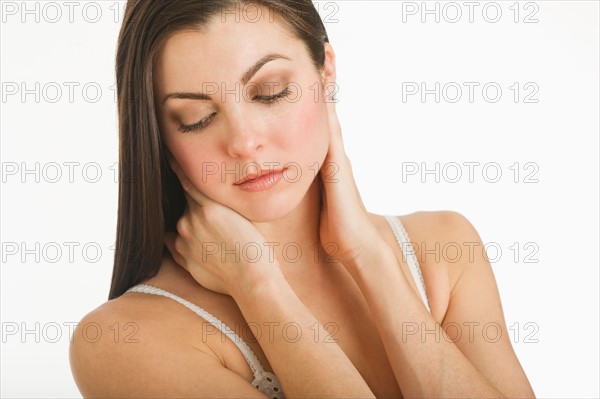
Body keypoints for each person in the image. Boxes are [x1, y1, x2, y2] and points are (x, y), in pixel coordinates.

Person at [69, 1, 536, 397]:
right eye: (196, 118)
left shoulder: (443, 250)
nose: (244, 142)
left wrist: (369, 256)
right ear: (159, 137)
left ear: (325, 72)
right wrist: (259, 287)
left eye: (270, 93)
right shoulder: (120, 340)